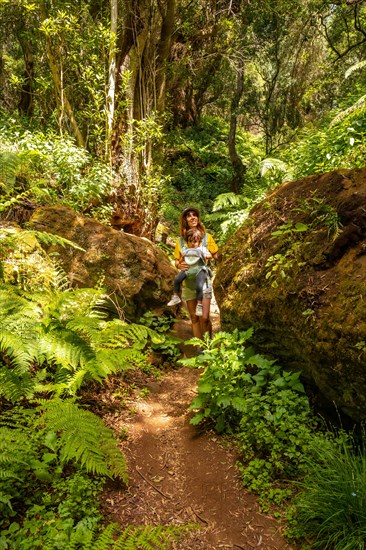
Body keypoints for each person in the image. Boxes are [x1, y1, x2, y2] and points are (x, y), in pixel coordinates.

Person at [172, 207, 219, 340]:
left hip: (203, 282)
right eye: (189, 216)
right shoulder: (180, 241)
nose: (192, 217)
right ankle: (199, 346)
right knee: (194, 317)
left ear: (198, 218)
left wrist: (208, 255)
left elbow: (216, 255)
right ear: (185, 221)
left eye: (195, 215)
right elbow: (176, 260)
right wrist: (179, 264)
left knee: (204, 317)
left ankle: (209, 344)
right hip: (188, 283)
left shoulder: (207, 237)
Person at [167, 227, 212, 316]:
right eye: (190, 241)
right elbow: (180, 260)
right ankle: (176, 296)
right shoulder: (186, 250)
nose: (192, 244)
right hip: (188, 270)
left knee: (199, 286)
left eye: (194, 241)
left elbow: (210, 255)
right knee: (177, 280)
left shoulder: (202, 249)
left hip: (199, 270)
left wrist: (205, 255)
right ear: (187, 241)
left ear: (199, 242)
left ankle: (199, 305)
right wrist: (180, 262)